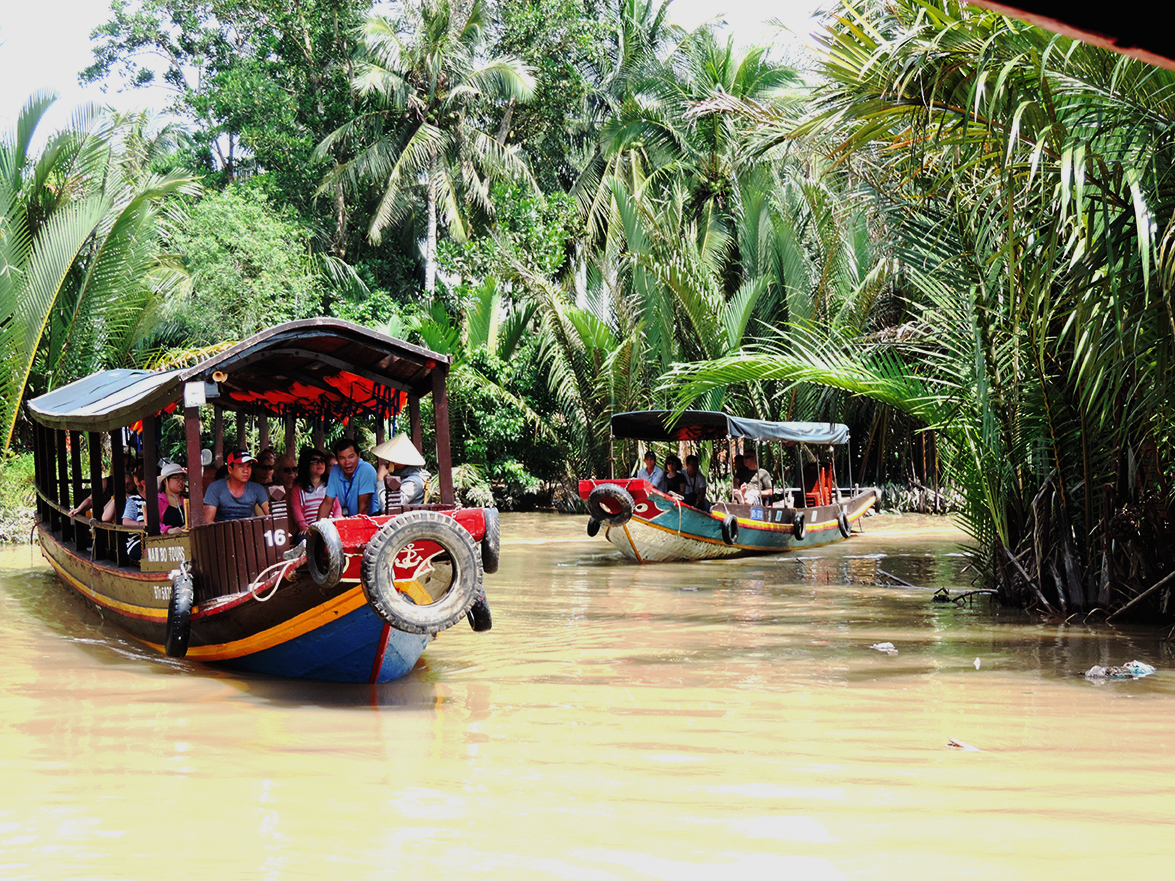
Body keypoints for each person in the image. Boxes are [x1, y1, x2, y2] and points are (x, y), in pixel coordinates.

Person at [318, 438, 382, 519]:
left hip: (372, 519)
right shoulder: (335, 471)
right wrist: (318, 528)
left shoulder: (366, 470)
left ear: (358, 455)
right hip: (351, 519)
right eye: (342, 458)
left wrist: (354, 529)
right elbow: (327, 503)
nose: (347, 462)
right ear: (337, 459)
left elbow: (364, 507)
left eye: (351, 457)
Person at [203, 449, 271, 523]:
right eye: (241, 466)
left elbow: (271, 515)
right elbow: (208, 520)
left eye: (248, 466)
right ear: (230, 469)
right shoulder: (216, 488)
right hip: (221, 532)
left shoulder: (257, 489)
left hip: (248, 531)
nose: (245, 470)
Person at [291, 448, 340, 539]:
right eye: (315, 460)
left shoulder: (331, 484)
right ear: (306, 464)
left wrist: (337, 522)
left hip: (330, 527)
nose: (320, 463)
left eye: (322, 460)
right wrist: (303, 526)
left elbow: (337, 507)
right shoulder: (297, 488)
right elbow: (296, 510)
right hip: (309, 528)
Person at [371, 435, 429, 506]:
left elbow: (388, 506)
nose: (388, 462)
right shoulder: (403, 477)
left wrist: (380, 480)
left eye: (389, 460)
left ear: (395, 462)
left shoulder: (414, 482)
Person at [122, 468, 149, 562]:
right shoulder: (134, 500)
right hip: (138, 542)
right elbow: (126, 522)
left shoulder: (162, 499)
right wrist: (145, 525)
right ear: (144, 483)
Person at [157, 462, 188, 534]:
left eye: (182, 478)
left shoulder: (186, 500)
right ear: (165, 481)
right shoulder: (158, 500)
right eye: (177, 478)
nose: (181, 481)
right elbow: (152, 523)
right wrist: (168, 530)